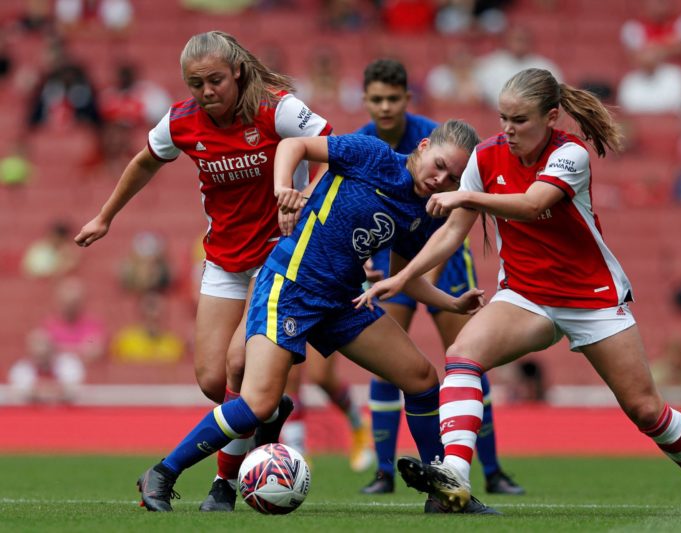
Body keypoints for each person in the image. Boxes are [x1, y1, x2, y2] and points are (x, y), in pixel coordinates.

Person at [357, 68, 681, 517]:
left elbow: (532, 204)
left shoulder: (570, 155)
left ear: (551, 116)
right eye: (503, 118)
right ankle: (456, 477)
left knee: (645, 410)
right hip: (525, 296)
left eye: (519, 120)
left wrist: (466, 197)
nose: (508, 129)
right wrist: (404, 278)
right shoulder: (485, 157)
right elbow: (451, 234)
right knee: (463, 353)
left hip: (592, 298)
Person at [135, 120, 498, 515]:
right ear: (424, 146)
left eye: (453, 177)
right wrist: (283, 189)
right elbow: (294, 144)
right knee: (257, 402)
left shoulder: (424, 212)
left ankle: (442, 495)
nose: (440, 178)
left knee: (423, 379)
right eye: (440, 164)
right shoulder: (371, 154)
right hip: (290, 286)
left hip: (341, 301)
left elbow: (403, 276)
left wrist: (451, 302)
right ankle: (162, 473)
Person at [74, 31, 332, 512]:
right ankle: (272, 412)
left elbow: (333, 150)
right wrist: (105, 216)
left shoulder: (277, 108)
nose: (207, 91)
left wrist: (306, 197)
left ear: (236, 71)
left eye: (215, 80)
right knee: (215, 382)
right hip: (224, 259)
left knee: (240, 364)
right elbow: (144, 161)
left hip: (279, 255)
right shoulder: (181, 122)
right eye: (196, 84)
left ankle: (223, 487)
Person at [353, 58, 523, 496]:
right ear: (366, 100)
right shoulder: (363, 143)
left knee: (467, 358)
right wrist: (371, 262)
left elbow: (461, 210)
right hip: (392, 263)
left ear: (407, 100)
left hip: (444, 260)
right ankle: (384, 471)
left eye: (393, 98)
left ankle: (492, 468)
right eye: (377, 99)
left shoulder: (441, 139)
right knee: (387, 361)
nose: (386, 106)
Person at [110, 291, 186, 364]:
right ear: (139, 311)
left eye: (156, 305)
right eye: (150, 305)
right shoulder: (123, 341)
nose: (153, 312)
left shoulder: (174, 344)